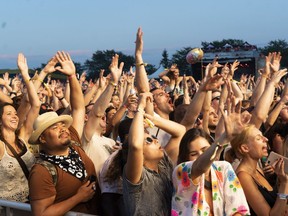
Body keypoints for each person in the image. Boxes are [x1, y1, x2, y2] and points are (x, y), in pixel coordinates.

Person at [28, 51, 101, 215]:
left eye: (62, 125)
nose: (62, 128)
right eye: (54, 128)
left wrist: (72, 77)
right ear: (42, 139)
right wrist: (78, 197)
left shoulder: (74, 143)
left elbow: (79, 108)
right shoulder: (42, 171)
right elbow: (41, 214)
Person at [172, 104, 250, 215]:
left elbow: (238, 209)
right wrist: (225, 138)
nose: (201, 155)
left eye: (205, 150)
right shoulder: (180, 172)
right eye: (194, 154)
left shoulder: (223, 168)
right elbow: (200, 166)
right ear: (185, 157)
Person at [123, 92, 186, 215]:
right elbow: (135, 145)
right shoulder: (136, 175)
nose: (155, 140)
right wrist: (140, 108)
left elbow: (181, 131)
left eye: (153, 137)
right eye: (149, 140)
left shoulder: (163, 166)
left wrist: (153, 120)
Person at [0, 53, 40, 203]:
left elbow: (35, 104)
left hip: (30, 206)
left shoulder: (22, 138)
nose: (15, 116)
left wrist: (25, 74)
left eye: (15, 113)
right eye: (9, 114)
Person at [229, 124, 288, 216]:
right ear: (245, 148)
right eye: (258, 138)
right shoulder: (243, 176)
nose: (266, 139)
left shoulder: (257, 169)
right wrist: (284, 183)